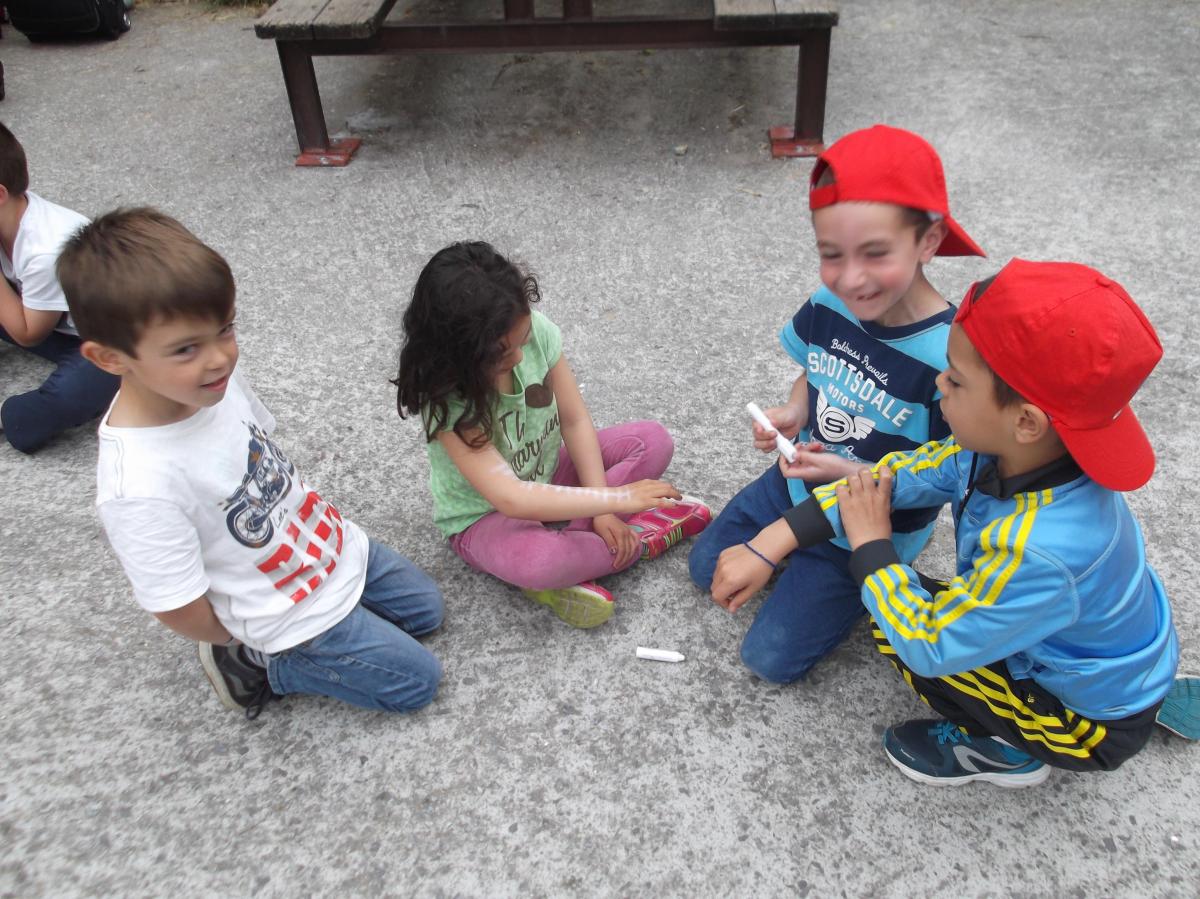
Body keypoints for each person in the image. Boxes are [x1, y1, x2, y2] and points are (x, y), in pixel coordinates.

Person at [712, 260, 1179, 786]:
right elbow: (896, 477)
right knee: (893, 593)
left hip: (1082, 720)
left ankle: (1009, 752)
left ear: (1026, 421)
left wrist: (872, 547)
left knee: (896, 627)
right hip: (1083, 651)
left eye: (955, 379)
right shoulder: (995, 451)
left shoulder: (1042, 548)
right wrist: (773, 540)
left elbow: (929, 644)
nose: (938, 382)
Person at [59, 208, 444, 719]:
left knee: (427, 612)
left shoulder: (213, 385)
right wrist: (242, 634)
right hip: (282, 614)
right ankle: (261, 665)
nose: (220, 357)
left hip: (329, 547)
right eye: (186, 348)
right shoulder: (140, 484)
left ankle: (326, 630)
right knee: (416, 683)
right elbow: (175, 604)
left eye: (225, 329)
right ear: (110, 358)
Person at [689, 124, 985, 682]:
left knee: (769, 660)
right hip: (795, 484)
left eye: (876, 253)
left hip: (872, 521)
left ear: (928, 241)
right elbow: (814, 370)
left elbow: (944, 475)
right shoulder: (830, 303)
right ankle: (788, 555)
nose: (851, 279)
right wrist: (795, 412)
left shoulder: (951, 358)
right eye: (831, 255)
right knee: (704, 568)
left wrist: (845, 475)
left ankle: (854, 582)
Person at [394, 241, 711, 628]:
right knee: (541, 561)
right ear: (460, 358)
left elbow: (574, 421)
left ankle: (585, 544)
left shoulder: (533, 332)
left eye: (523, 339)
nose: (519, 357)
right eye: (502, 354)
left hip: (545, 473)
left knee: (653, 440)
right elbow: (511, 498)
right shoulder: (447, 399)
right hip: (486, 516)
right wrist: (619, 499)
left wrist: (603, 509)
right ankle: (636, 540)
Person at [0, 122, 118, 452]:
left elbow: (28, 333)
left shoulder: (44, 249)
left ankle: (13, 416)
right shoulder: (10, 216)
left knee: (76, 392)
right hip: (58, 322)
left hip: (114, 337)